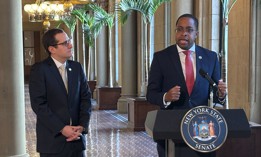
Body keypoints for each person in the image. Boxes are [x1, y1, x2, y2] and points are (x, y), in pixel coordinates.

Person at [146, 14, 227, 157]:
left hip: (202, 130)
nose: (184, 33)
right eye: (180, 29)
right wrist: (166, 96)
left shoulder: (211, 57)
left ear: (196, 33)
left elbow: (215, 91)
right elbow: (151, 94)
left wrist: (221, 95)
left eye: (189, 30)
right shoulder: (161, 57)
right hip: (171, 130)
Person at [29, 28, 92, 157]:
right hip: (53, 142)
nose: (70, 45)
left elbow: (85, 98)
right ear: (52, 49)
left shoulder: (76, 67)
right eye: (64, 43)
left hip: (76, 140)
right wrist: (62, 128)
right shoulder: (40, 70)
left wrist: (82, 126)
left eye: (69, 41)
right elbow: (39, 105)